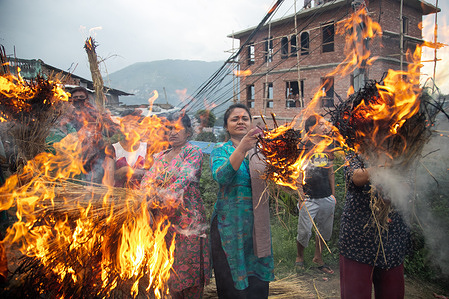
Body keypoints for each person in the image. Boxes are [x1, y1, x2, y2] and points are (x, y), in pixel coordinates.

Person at [141, 113, 209, 299]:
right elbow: (146, 182)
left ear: (188, 132)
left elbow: (182, 180)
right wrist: (146, 197)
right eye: (169, 128)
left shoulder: (192, 152)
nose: (172, 132)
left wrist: (154, 198)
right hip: (163, 223)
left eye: (177, 128)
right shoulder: (160, 157)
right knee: (168, 271)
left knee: (190, 272)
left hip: (188, 222)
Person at [210, 103, 274, 299]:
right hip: (228, 228)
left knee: (257, 285)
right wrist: (243, 147)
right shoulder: (220, 151)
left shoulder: (263, 153)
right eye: (234, 119)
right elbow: (222, 177)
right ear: (227, 126)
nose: (240, 121)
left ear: (250, 123)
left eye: (244, 118)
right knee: (231, 286)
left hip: (257, 228)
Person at [339, 153, 411, 298]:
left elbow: (408, 185)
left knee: (391, 293)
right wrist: (384, 167)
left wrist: (393, 190)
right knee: (355, 294)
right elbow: (356, 177)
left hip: (392, 239)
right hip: (358, 239)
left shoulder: (403, 150)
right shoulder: (355, 150)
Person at [295, 115, 336, 275]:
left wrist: (332, 195)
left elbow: (331, 171)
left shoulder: (328, 145)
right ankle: (299, 257)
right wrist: (301, 196)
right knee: (304, 231)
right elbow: (298, 172)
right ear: (311, 128)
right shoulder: (304, 145)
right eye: (320, 124)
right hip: (309, 197)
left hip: (326, 197)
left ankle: (318, 257)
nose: (324, 127)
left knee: (323, 230)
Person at [103, 111, 147, 188]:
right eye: (126, 125)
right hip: (119, 194)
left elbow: (155, 173)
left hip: (142, 195)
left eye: (133, 125)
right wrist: (122, 171)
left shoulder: (147, 148)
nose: (129, 129)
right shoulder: (113, 149)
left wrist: (133, 172)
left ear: (140, 128)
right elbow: (108, 178)